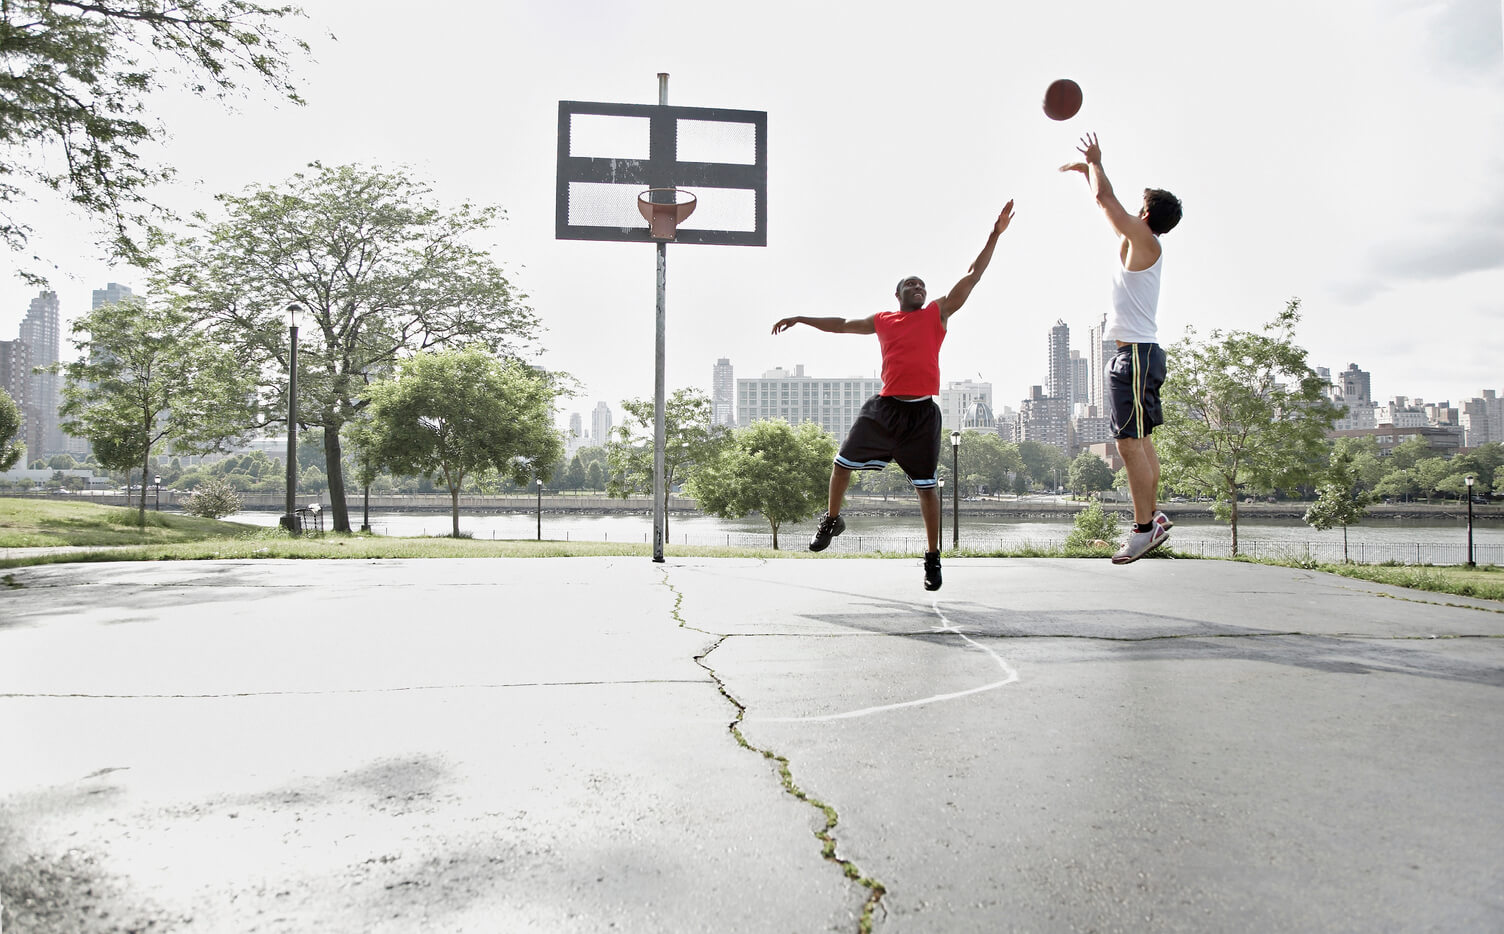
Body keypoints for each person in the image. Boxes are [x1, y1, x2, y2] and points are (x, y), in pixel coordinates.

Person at [771, 202, 1015, 590]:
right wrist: (801, 318)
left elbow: (973, 275)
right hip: (884, 409)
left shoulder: (938, 313)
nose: (918, 288)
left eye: (922, 285)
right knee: (841, 465)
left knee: (927, 489)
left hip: (921, 415)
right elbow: (841, 325)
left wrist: (995, 234)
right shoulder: (883, 320)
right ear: (897, 293)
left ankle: (932, 557)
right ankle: (832, 520)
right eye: (911, 285)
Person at [1060, 132, 1183, 564]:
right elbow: (1106, 204)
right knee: (1143, 442)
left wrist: (1094, 161)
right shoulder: (1141, 242)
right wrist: (1088, 175)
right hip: (1141, 354)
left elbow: (1106, 201)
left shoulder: (1145, 240)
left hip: (1135, 357)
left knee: (1129, 445)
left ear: (1146, 212)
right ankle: (1154, 519)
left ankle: (1143, 528)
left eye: (1139, 205)